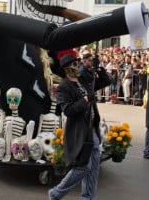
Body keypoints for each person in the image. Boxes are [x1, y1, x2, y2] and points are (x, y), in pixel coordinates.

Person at [48, 53, 102, 200]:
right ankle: (56, 193)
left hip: (92, 128)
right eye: (74, 64)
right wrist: (85, 100)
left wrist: (98, 68)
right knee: (83, 167)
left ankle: (87, 197)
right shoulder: (64, 87)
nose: (78, 66)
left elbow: (104, 81)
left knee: (93, 168)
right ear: (66, 69)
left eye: (78, 63)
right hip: (81, 131)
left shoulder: (82, 81)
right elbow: (68, 110)